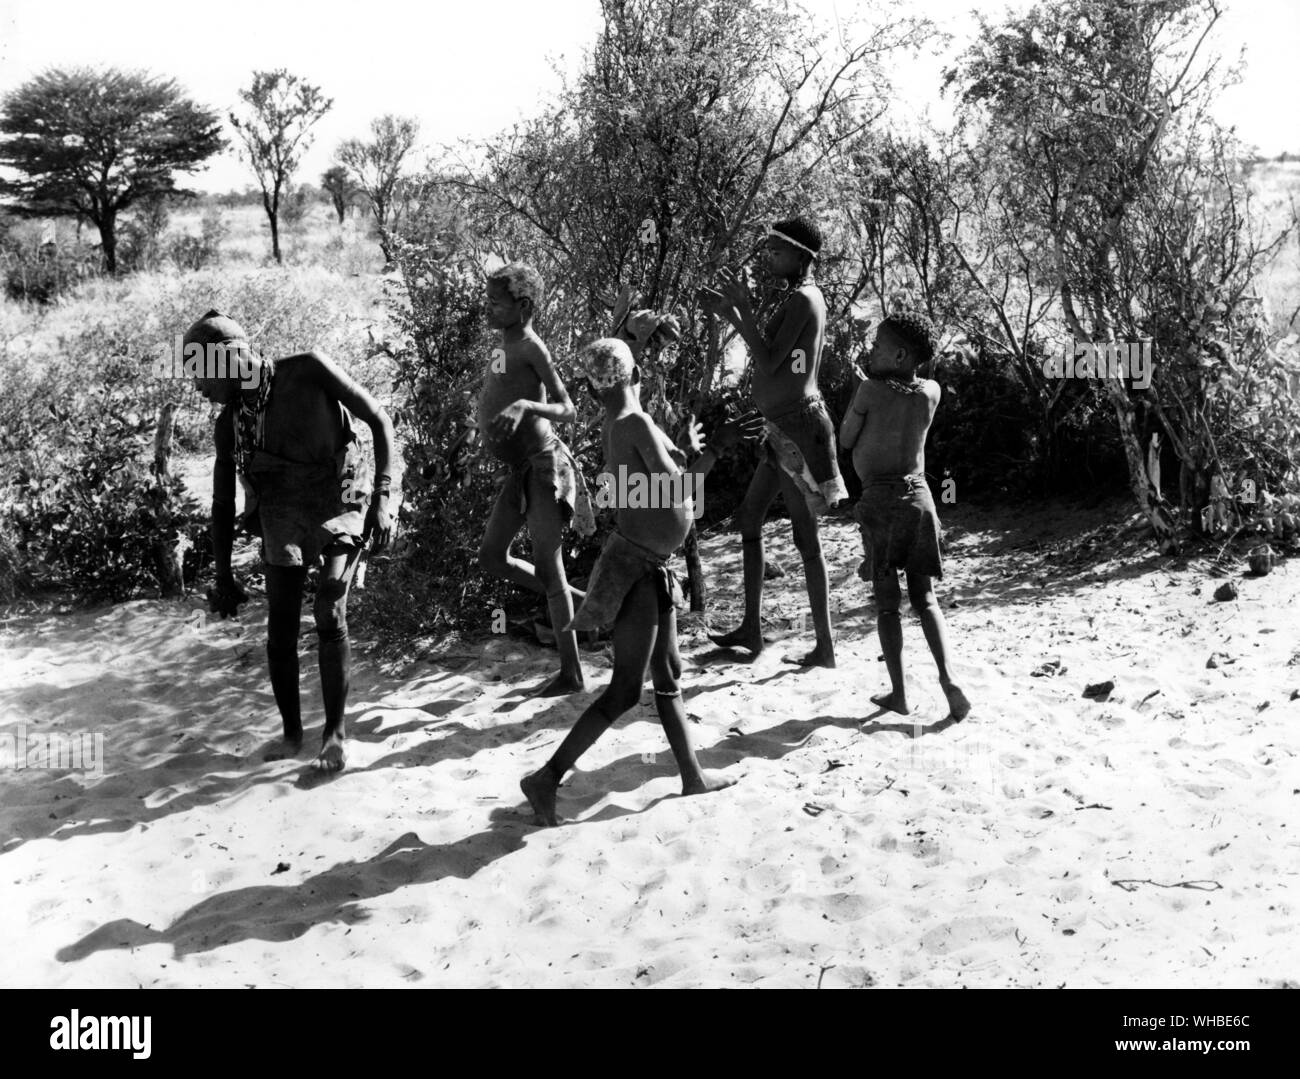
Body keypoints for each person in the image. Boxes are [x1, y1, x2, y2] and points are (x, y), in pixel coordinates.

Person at [520, 338, 761, 827]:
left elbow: (643, 489)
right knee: (626, 689)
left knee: (668, 676)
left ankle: (692, 775)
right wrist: (716, 447)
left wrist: (688, 452)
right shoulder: (635, 423)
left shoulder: (618, 425)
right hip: (637, 570)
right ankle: (546, 778)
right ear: (636, 374)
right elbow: (681, 488)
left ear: (592, 389)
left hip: (645, 565)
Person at [189, 310, 398, 772]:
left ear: (224, 361)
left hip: (339, 496)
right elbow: (222, 505)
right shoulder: (230, 425)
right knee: (279, 630)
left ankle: (335, 734)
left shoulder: (307, 369)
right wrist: (223, 575)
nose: (198, 389)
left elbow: (379, 420)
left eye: (200, 374)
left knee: (328, 606)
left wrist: (384, 500)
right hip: (282, 513)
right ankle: (291, 733)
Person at [700, 215, 848, 668]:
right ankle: (752, 629)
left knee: (807, 540)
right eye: (768, 249)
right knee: (748, 519)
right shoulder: (799, 296)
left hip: (798, 432)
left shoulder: (804, 299)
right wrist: (737, 310)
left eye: (776, 250)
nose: (769, 256)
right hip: (781, 429)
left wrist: (735, 312)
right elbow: (774, 357)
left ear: (802, 256)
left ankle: (825, 647)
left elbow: (766, 360)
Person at [838, 311, 970, 721]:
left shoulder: (869, 392)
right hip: (919, 500)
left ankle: (899, 693)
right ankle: (949, 681)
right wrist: (881, 377)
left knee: (888, 606)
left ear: (898, 354)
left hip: (880, 504)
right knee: (925, 599)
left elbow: (846, 440)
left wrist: (862, 387)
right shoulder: (931, 391)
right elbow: (909, 388)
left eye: (877, 345)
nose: (870, 349)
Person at [476, 263, 595, 695]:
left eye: (495, 303)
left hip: (542, 466)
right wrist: (475, 429)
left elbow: (568, 408)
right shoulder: (503, 344)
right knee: (491, 556)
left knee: (550, 565)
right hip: (517, 469)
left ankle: (572, 673)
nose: (487, 309)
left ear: (523, 306)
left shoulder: (531, 347)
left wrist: (527, 405)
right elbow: (493, 391)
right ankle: (586, 605)